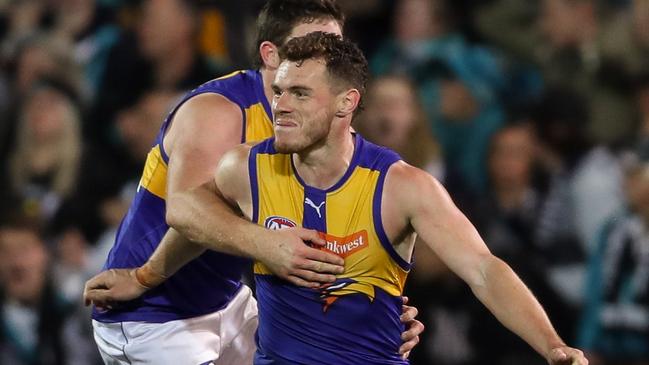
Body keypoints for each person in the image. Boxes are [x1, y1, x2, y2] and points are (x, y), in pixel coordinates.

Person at [89, 32, 588, 364]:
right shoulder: (246, 167)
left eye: (300, 94)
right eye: (279, 91)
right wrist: (145, 276)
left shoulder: (401, 186)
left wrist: (553, 347)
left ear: (347, 103)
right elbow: (192, 218)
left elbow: (483, 269)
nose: (280, 105)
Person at [84, 1, 423, 364]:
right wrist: (144, 277)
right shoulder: (219, 110)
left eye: (336, 48)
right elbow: (185, 210)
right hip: (153, 315)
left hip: (230, 302)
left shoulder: (319, 126)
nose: (328, 61)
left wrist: (377, 309)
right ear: (271, 55)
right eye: (313, 47)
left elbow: (343, 231)